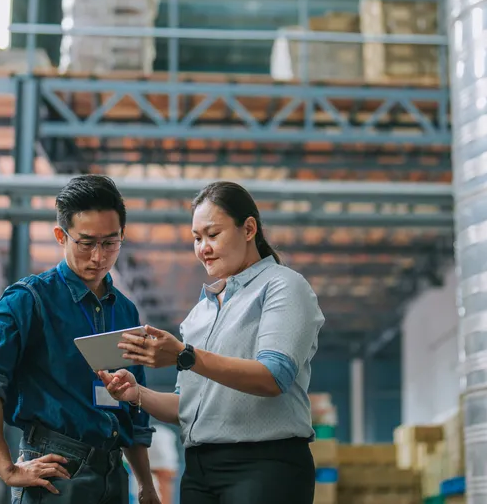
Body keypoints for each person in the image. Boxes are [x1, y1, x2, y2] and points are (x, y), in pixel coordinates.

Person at [98, 181, 325, 504]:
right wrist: (138, 394)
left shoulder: (283, 287)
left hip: (265, 467)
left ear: (248, 229)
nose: (203, 247)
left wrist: (185, 355)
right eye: (196, 238)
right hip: (200, 470)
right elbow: (187, 408)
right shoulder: (200, 314)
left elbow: (274, 377)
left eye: (213, 234)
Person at [0, 175, 159, 504]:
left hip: (113, 476)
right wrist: (6, 468)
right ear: (60, 236)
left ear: (122, 235)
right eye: (86, 242)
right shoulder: (29, 300)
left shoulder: (125, 311)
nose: (98, 257)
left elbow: (134, 408)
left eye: (110, 243)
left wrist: (145, 484)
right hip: (56, 473)